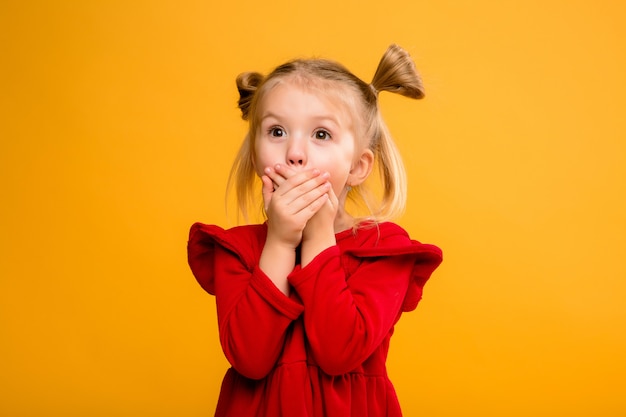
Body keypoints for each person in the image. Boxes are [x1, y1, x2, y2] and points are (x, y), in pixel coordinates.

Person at [187, 44, 443, 417]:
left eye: (320, 135)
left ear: (358, 166)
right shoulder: (237, 250)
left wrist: (319, 236)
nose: (294, 152)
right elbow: (250, 359)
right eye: (276, 131)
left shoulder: (384, 250)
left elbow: (340, 353)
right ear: (256, 152)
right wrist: (279, 241)